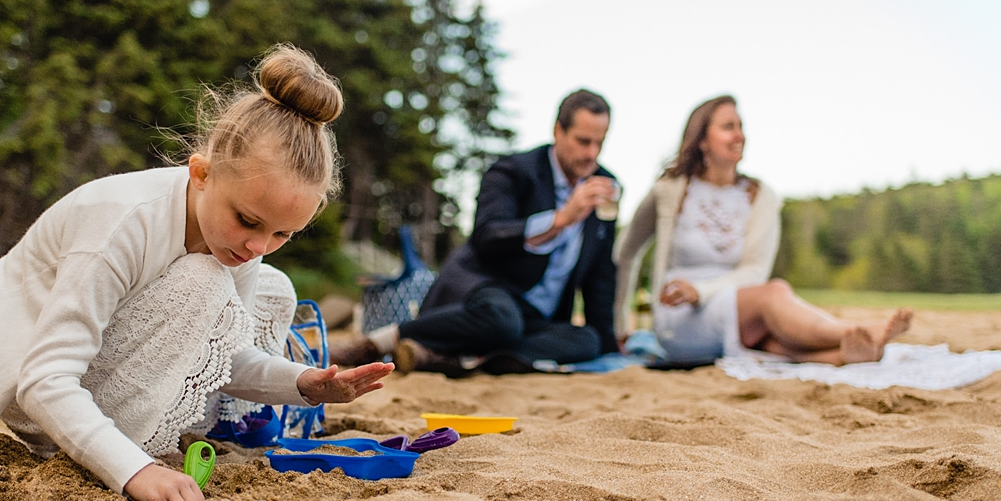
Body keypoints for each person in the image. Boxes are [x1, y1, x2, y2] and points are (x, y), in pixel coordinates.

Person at [0, 45, 393, 501]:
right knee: (203, 280)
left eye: (283, 233)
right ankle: (130, 446)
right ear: (201, 173)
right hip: (34, 389)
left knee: (273, 287)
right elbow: (44, 379)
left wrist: (302, 384)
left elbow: (223, 353)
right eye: (248, 220)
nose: (258, 245)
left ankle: (217, 422)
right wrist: (134, 472)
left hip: (95, 370)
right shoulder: (122, 222)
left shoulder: (237, 240)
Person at [334, 89, 621, 374]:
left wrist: (611, 348)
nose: (591, 154)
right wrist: (561, 220)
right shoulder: (513, 171)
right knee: (502, 321)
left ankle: (452, 356)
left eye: (600, 143)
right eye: (583, 142)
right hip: (484, 292)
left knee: (589, 340)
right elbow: (488, 236)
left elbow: (600, 276)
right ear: (558, 130)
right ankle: (378, 342)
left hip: (535, 317)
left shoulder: (606, 186)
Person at [614, 94, 911, 366]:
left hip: (738, 307)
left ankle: (844, 353)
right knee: (774, 294)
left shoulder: (760, 196)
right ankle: (855, 331)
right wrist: (616, 327)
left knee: (773, 337)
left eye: (740, 126)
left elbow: (755, 271)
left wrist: (702, 291)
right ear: (702, 139)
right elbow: (624, 254)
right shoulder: (671, 190)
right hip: (678, 320)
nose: (739, 135)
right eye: (728, 127)